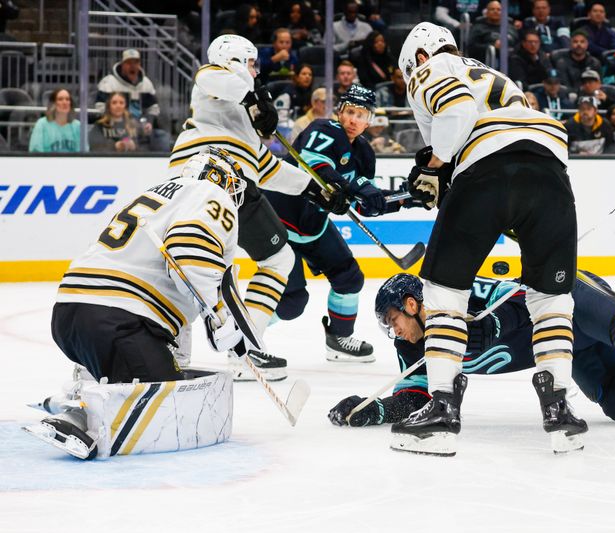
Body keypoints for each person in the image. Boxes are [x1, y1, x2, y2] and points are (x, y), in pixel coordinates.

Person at [396, 22, 583, 456]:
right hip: (551, 173)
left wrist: (433, 166)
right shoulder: (497, 75)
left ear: (419, 58)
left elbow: (457, 112)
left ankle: (441, 406)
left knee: (444, 292)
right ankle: (559, 409)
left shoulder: (432, 66)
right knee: (550, 297)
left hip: (488, 172)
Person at [329, 249, 615, 429]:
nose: (394, 332)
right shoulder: (412, 346)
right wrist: (375, 409)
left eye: (393, 320)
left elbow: (517, 291)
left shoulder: (452, 295)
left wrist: (493, 324)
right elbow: (415, 396)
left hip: (568, 300)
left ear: (411, 304)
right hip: (564, 344)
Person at [26, 149, 249, 460]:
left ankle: (81, 397)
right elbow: (190, 251)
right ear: (216, 176)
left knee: (129, 366)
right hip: (117, 318)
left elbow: (178, 280)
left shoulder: (159, 195)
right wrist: (221, 316)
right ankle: (80, 414)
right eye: (233, 184)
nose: (234, 194)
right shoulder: (210, 193)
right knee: (166, 407)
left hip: (71, 313)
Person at [169, 34, 343, 379]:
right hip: (207, 175)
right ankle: (211, 348)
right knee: (208, 264)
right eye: (250, 63)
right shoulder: (212, 80)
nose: (255, 70)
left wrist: (314, 188)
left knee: (279, 259)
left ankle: (247, 347)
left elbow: (265, 167)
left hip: (233, 182)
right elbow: (216, 79)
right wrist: (252, 96)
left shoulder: (245, 121)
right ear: (232, 59)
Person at [266, 85, 391, 362]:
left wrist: (396, 199)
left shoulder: (364, 153)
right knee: (291, 303)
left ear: (369, 120)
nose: (353, 120)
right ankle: (243, 334)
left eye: (361, 114)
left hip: (314, 226)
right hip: (280, 222)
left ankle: (339, 338)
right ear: (340, 112)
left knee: (349, 277)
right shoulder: (324, 128)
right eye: (349, 112)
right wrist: (357, 186)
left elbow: (363, 200)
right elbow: (315, 166)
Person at [96, 49, 159, 124]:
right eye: (129, 63)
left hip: (141, 127)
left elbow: (153, 108)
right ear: (122, 65)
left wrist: (149, 122)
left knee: (163, 135)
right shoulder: (108, 83)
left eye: (136, 63)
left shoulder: (146, 84)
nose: (133, 66)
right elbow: (100, 108)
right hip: (115, 127)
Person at [29, 88, 81, 153]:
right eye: (60, 99)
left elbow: (84, 153)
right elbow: (35, 151)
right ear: (53, 104)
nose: (65, 102)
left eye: (67, 99)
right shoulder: (42, 124)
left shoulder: (77, 126)